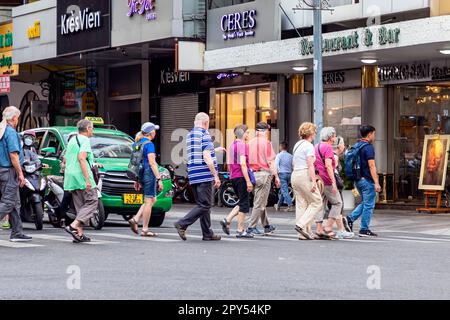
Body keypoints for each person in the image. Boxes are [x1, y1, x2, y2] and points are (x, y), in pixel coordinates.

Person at [174, 113, 221, 241]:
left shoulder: (190, 135)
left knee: (203, 205)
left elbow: (199, 151)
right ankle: (182, 224)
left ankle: (207, 233)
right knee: (205, 205)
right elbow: (206, 157)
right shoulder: (205, 134)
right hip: (204, 174)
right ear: (206, 123)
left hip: (193, 174)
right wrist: (215, 175)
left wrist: (215, 150)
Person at [0, 106, 32, 242]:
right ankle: (17, 232)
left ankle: (17, 232)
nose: (18, 120)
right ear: (14, 118)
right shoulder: (10, 132)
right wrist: (20, 174)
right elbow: (13, 155)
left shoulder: (2, 130)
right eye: (18, 117)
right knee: (8, 202)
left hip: (3, 170)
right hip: (9, 170)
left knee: (15, 203)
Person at [63, 119, 98, 243]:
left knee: (80, 205)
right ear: (88, 128)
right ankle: (73, 226)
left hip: (71, 176)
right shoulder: (85, 140)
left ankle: (79, 234)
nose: (92, 130)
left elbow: (65, 160)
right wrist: (88, 179)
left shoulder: (72, 140)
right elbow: (82, 158)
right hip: (81, 175)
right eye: (92, 128)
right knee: (93, 201)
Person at [343, 125, 381, 237]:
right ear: (369, 134)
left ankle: (350, 219)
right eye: (374, 134)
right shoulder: (368, 147)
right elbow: (372, 165)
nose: (374, 136)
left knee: (365, 202)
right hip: (367, 180)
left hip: (358, 180)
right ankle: (364, 229)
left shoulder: (357, 145)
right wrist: (377, 182)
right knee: (369, 205)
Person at [128, 122, 163, 237]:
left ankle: (136, 219)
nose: (155, 133)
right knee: (149, 202)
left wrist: (136, 180)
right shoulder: (149, 145)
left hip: (141, 174)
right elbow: (152, 163)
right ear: (151, 132)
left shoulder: (136, 143)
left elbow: (136, 163)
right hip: (149, 174)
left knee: (152, 200)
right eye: (155, 131)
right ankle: (145, 229)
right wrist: (159, 178)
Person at [246, 122, 281, 236]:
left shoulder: (249, 143)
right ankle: (251, 227)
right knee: (259, 202)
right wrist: (276, 176)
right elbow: (271, 161)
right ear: (264, 131)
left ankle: (266, 225)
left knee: (261, 201)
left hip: (252, 174)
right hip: (264, 174)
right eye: (267, 131)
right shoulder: (267, 143)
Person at [220, 125, 254, 239]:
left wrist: (232, 175)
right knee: (244, 204)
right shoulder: (242, 145)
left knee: (242, 202)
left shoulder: (231, 145)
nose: (248, 135)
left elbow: (229, 164)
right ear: (243, 133)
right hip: (241, 176)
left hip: (234, 176)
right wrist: (248, 181)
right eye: (247, 132)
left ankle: (227, 219)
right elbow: (243, 164)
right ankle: (240, 230)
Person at [292, 122, 322, 240]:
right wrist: (314, 182)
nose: (315, 134)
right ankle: (300, 225)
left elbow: (294, 162)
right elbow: (310, 165)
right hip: (304, 174)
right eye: (314, 131)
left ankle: (302, 233)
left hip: (295, 174)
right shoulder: (309, 146)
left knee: (301, 204)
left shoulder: (297, 145)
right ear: (310, 133)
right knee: (317, 202)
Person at [332, 136, 354, 239]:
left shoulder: (334, 156)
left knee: (336, 207)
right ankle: (339, 230)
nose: (344, 146)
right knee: (338, 206)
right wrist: (335, 184)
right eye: (343, 144)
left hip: (331, 185)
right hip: (333, 186)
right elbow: (332, 172)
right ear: (339, 145)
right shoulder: (335, 157)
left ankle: (340, 229)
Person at [274, 141, 294, 212]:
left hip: (282, 174)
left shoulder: (279, 155)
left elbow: (276, 165)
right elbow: (293, 165)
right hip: (289, 174)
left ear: (281, 147)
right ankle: (278, 205)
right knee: (283, 190)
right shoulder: (291, 156)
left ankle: (290, 205)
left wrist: (276, 175)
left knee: (284, 190)